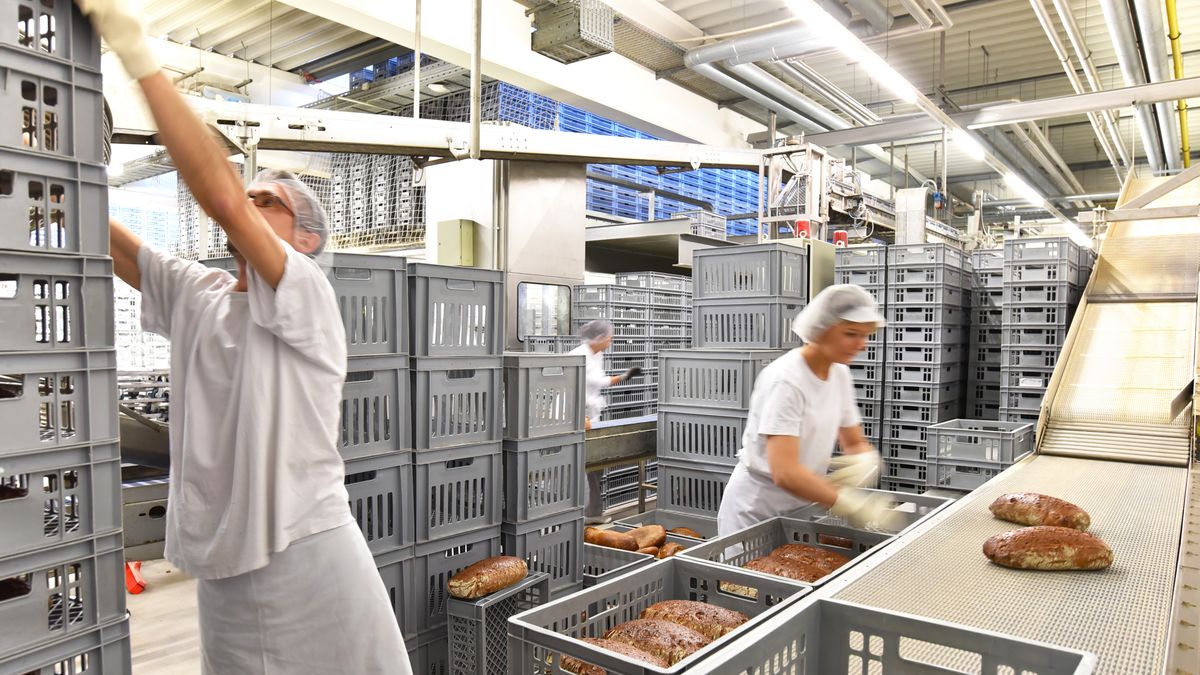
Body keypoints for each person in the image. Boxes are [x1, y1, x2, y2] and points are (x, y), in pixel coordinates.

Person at [77, 1, 411, 672]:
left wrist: (138, 58)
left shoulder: (306, 294)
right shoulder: (198, 296)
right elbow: (104, 233)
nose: (251, 207)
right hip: (224, 562)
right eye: (252, 196)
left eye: (270, 202)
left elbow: (221, 198)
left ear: (308, 240)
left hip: (308, 550)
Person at [716, 284, 900, 536]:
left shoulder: (839, 373)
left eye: (865, 335)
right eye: (851, 333)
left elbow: (853, 440)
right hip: (758, 507)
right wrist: (844, 501)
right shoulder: (787, 380)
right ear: (822, 330)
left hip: (802, 502)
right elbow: (785, 472)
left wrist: (865, 460)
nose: (862, 344)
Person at [570, 320, 641, 525]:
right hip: (575, 417)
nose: (610, 342)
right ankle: (580, 514)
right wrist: (624, 376)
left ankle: (592, 512)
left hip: (591, 415)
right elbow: (597, 382)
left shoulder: (597, 354)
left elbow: (598, 381)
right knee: (584, 465)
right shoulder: (577, 356)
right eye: (609, 338)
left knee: (595, 465)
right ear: (598, 338)